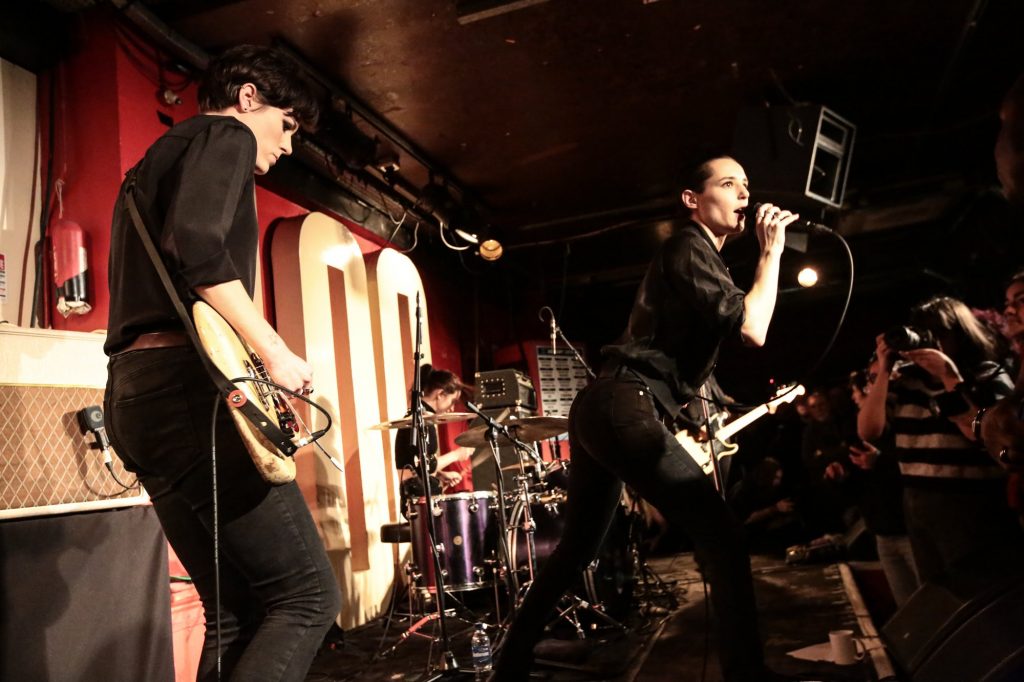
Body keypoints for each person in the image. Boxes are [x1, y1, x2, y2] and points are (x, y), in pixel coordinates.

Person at [491, 154, 797, 682]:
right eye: (729, 184)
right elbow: (753, 328)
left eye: (746, 185)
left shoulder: (701, 260)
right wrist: (772, 253)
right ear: (692, 199)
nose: (745, 195)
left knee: (577, 548)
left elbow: (688, 360)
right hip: (622, 404)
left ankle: (510, 666)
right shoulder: (688, 245)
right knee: (723, 536)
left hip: (604, 405)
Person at [102, 45, 341, 681]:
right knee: (308, 598)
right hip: (185, 391)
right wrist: (275, 351)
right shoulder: (224, 134)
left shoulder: (154, 165)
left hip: (133, 395)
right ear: (248, 97)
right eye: (287, 124)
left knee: (234, 612)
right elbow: (199, 249)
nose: (288, 145)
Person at [858, 296, 1023, 588]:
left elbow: (990, 435)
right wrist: (884, 369)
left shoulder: (987, 373)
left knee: (982, 593)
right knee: (939, 597)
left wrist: (949, 377)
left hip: (974, 504)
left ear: (961, 333)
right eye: (924, 333)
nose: (931, 342)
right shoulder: (909, 384)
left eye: (939, 334)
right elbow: (869, 431)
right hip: (918, 504)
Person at [393, 364, 474, 508]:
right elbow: (428, 466)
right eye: (452, 401)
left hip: (416, 500)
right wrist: (457, 454)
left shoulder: (418, 418)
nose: (452, 408)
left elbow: (418, 465)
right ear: (440, 394)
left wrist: (440, 474)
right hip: (421, 503)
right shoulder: (422, 420)